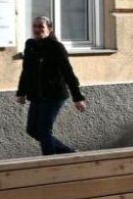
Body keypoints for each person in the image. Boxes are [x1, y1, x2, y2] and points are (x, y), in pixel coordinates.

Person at [15, 15, 86, 155]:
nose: (37, 29)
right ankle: (68, 152)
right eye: (35, 26)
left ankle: (49, 164)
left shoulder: (56, 47)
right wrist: (21, 92)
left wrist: (77, 97)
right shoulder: (30, 45)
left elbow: (68, 73)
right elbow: (26, 71)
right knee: (32, 130)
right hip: (37, 95)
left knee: (43, 130)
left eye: (41, 26)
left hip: (54, 95)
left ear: (49, 29)